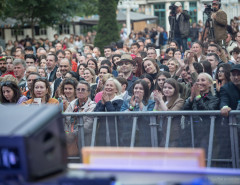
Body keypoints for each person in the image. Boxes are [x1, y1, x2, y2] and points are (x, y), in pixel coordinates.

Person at [183, 73, 219, 152]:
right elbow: (184, 112)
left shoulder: (214, 99)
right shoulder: (195, 97)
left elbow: (206, 113)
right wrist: (191, 98)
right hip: (191, 132)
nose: (199, 83)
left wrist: (198, 97)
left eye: (203, 80)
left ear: (209, 84)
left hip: (206, 134)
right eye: (198, 80)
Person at [120, 80, 155, 146]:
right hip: (128, 135)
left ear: (145, 91)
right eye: (136, 88)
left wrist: (140, 102)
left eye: (141, 89)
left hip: (144, 136)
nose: (137, 90)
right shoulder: (127, 102)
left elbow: (148, 119)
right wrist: (131, 107)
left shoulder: (151, 103)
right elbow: (121, 117)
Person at [65, 81, 96, 153]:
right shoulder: (72, 103)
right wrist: (66, 134)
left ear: (88, 92)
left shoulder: (92, 105)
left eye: (83, 90)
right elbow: (65, 120)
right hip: (69, 141)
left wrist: (73, 134)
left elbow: (88, 125)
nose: (80, 91)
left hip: (85, 140)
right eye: (78, 89)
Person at [153, 78, 184, 146]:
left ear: (175, 90)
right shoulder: (162, 101)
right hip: (160, 134)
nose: (166, 90)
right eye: (165, 87)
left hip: (172, 136)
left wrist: (160, 101)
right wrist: (157, 104)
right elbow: (153, 115)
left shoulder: (179, 101)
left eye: (170, 88)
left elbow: (170, 114)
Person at [94, 78, 123, 146]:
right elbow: (95, 116)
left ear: (116, 90)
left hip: (116, 134)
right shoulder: (101, 102)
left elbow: (115, 116)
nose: (108, 87)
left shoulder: (120, 101)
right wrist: (102, 104)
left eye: (111, 85)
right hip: (102, 133)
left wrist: (107, 102)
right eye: (107, 85)